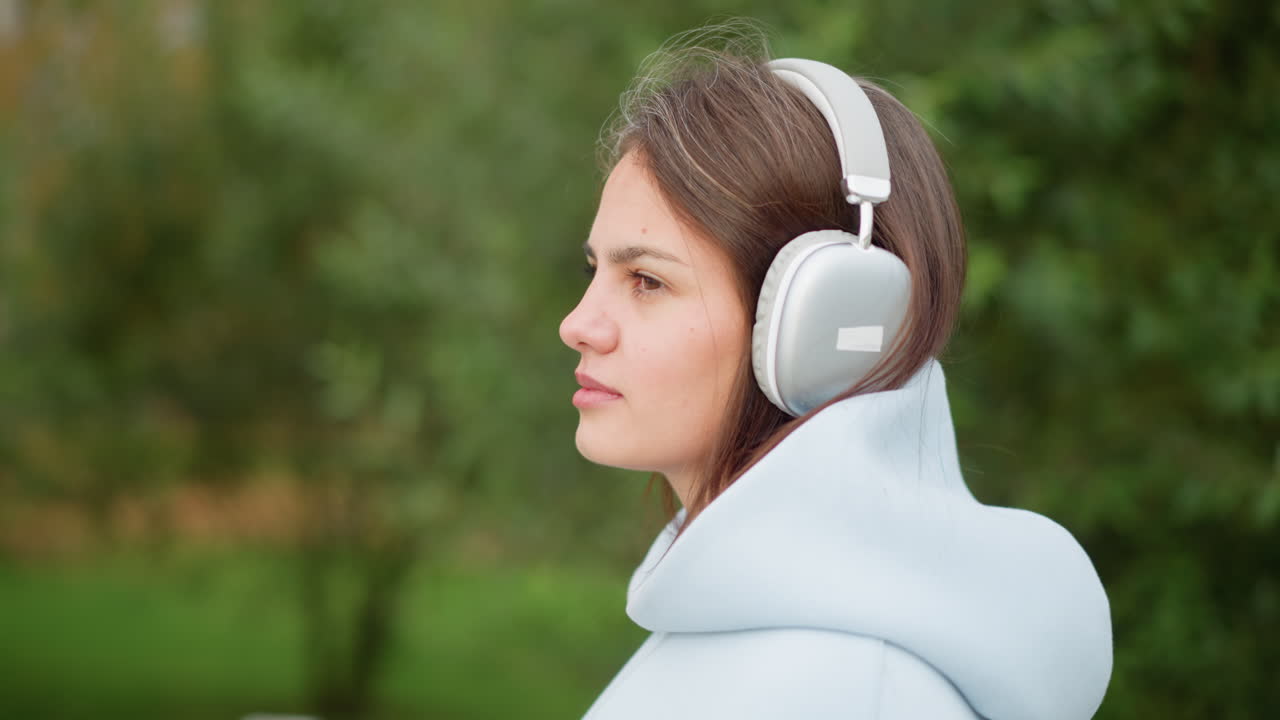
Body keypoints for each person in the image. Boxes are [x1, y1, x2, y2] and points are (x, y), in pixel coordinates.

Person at [558, 24, 1113, 720]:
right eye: (594, 270)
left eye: (646, 280)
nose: (578, 324)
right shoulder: (747, 633)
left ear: (818, 323)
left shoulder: (846, 690)